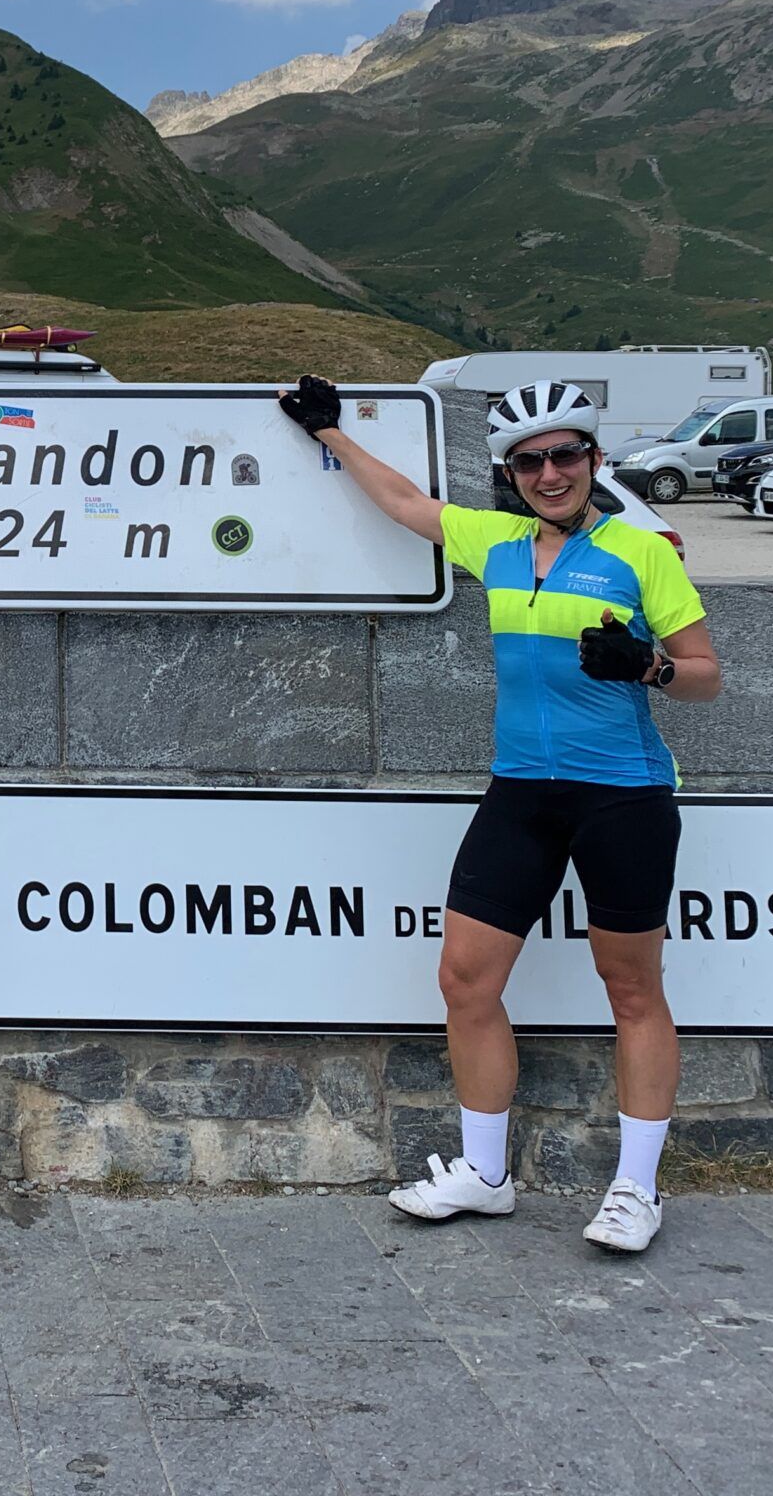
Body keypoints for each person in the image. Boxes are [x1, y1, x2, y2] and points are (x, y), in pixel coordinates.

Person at [280, 375, 722, 1253]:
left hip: (623, 795)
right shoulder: (501, 546)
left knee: (632, 989)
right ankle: (485, 1175)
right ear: (511, 475)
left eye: (565, 455)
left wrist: (648, 667)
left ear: (594, 461)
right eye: (530, 461)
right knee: (465, 981)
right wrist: (332, 432)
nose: (549, 472)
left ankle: (636, 1189)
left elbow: (706, 674)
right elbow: (404, 501)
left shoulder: (644, 554)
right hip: (521, 791)